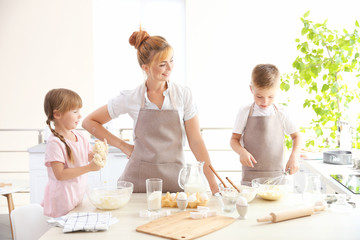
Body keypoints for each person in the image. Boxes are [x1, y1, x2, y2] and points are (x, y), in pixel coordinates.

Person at [82, 28, 219, 194]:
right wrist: (123, 145)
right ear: (145, 68)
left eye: (171, 60)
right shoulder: (132, 98)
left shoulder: (183, 95)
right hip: (138, 183)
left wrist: (213, 183)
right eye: (162, 64)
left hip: (175, 181)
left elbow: (196, 141)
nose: (170, 68)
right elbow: (89, 122)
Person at [230, 64, 301, 184]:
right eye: (259, 96)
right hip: (250, 177)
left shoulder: (282, 112)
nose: (265, 102)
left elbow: (296, 136)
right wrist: (241, 152)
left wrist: (294, 157)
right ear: (251, 89)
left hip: (276, 177)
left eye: (271, 97)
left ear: (277, 90)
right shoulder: (244, 112)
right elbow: (234, 140)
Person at [42, 88, 101, 217]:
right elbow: (60, 174)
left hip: (77, 198)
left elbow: (89, 156)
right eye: (75, 111)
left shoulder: (80, 136)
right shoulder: (55, 143)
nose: (79, 115)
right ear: (57, 114)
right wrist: (89, 167)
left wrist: (98, 155)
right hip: (61, 202)